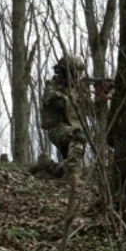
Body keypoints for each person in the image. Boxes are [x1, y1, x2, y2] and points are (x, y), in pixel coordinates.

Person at [31, 54, 111, 183]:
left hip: (73, 129)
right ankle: (71, 177)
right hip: (57, 128)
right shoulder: (52, 87)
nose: (77, 77)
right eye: (74, 74)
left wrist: (101, 98)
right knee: (78, 135)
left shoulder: (79, 90)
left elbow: (92, 112)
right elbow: (60, 104)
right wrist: (78, 92)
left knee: (73, 167)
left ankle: (46, 163)